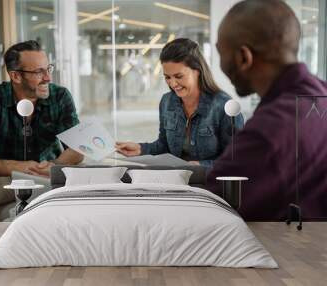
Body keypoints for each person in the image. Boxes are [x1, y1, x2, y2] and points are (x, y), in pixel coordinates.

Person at [207, 0, 327, 220]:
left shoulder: (270, 132)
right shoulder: (320, 95)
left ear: (244, 57)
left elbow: (215, 209)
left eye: (220, 52)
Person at [0, 40, 83, 221]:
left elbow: (78, 148)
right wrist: (18, 167)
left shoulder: (60, 96)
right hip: (6, 176)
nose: (48, 78)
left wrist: (54, 166)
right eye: (39, 72)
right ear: (16, 76)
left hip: (48, 172)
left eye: (48, 69)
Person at [116, 38, 244, 167]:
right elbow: (164, 145)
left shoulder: (224, 106)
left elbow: (237, 159)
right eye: (167, 77)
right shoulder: (167, 102)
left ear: (197, 71)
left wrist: (200, 166)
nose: (172, 84)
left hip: (211, 183)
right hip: (177, 181)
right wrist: (140, 149)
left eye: (178, 76)